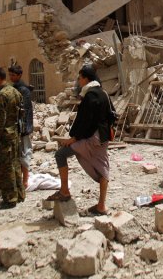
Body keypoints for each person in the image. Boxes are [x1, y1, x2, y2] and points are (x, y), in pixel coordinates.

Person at [48, 65, 111, 215]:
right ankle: (101, 205)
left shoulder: (90, 95)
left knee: (60, 154)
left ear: (86, 79)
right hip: (103, 137)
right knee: (103, 169)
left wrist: (74, 138)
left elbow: (86, 121)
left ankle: (64, 191)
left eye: (80, 78)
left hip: (92, 138)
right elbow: (111, 115)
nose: (78, 81)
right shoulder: (103, 93)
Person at [0, 67, 24, 208]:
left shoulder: (1, 95)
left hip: (4, 138)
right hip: (14, 134)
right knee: (15, 165)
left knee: (5, 169)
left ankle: (9, 199)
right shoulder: (14, 91)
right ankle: (19, 194)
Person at [8, 65, 34, 190]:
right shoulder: (16, 88)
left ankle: (25, 181)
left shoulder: (23, 90)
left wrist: (24, 128)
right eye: (10, 75)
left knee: (24, 152)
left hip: (23, 127)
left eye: (13, 75)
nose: (11, 77)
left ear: (19, 75)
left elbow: (25, 111)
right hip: (17, 127)